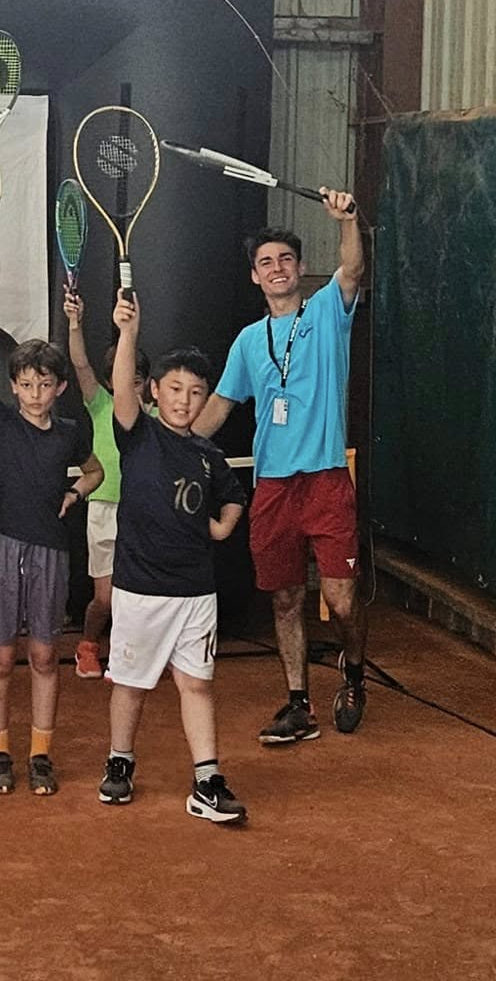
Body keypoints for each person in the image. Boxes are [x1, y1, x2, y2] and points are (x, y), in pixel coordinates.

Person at [194, 193, 368, 740]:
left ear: (299, 268)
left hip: (326, 480)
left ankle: (354, 670)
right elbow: (220, 404)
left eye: (286, 259)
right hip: (272, 485)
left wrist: (347, 221)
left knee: (340, 600)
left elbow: (352, 267)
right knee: (286, 597)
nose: (277, 268)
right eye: (266, 262)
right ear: (255, 276)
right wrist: (175, 442)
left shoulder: (326, 312)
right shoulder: (249, 341)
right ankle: (298, 703)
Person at [103, 292, 250, 823]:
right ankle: (120, 762)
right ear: (155, 392)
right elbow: (122, 387)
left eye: (195, 392)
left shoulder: (209, 456)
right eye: (175, 389)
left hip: (195, 592)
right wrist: (129, 333)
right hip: (140, 589)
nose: (185, 401)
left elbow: (234, 496)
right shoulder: (138, 434)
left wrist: (222, 525)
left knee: (197, 684)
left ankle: (207, 781)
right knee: (132, 684)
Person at [0, 281, 103, 796]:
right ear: (15, 387)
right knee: (0, 657)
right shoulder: (1, 422)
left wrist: (75, 493)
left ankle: (40, 754)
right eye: (26, 384)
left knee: (44, 657)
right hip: (3, 547)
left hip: (51, 552)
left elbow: (95, 471)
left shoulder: (70, 432)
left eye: (44, 384)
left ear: (59, 388)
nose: (36, 393)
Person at [64, 290, 149, 679]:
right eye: (120, 376)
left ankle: (130, 655)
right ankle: (88, 645)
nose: (127, 384)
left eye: (135, 379)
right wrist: (75, 324)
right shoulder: (99, 403)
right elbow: (80, 363)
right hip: (102, 509)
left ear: (147, 383)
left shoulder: (157, 418)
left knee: (141, 596)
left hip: (143, 512)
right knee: (106, 598)